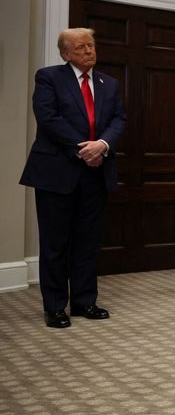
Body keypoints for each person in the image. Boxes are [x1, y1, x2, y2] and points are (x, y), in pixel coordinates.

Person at [20, 28, 126, 328]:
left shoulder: (109, 83)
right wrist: (83, 148)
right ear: (66, 54)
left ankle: (84, 302)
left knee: (88, 242)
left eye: (91, 45)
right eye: (80, 47)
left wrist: (102, 145)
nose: (88, 51)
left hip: (97, 171)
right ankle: (55, 306)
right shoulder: (49, 77)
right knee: (56, 243)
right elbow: (48, 117)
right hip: (57, 171)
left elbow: (119, 119)